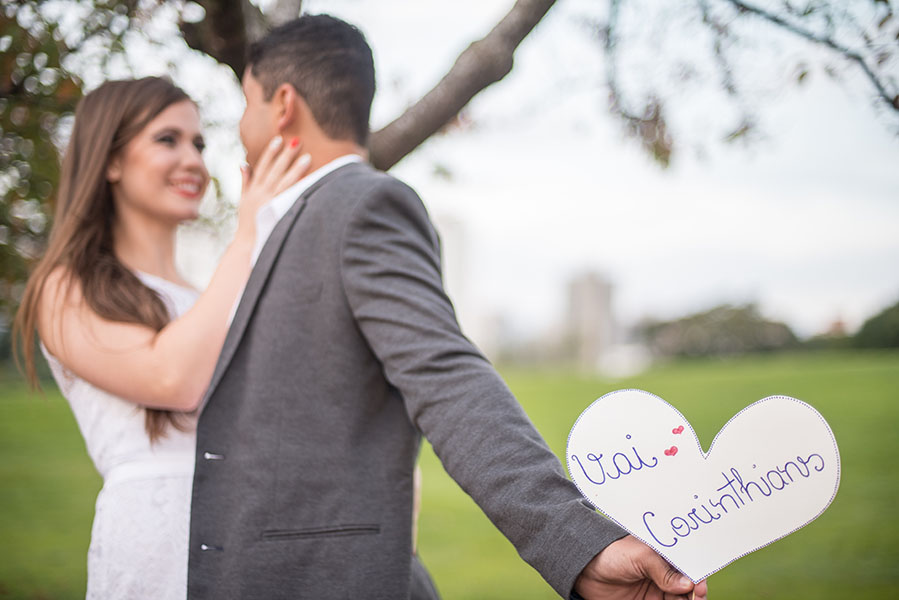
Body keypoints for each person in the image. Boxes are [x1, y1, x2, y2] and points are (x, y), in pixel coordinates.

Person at [188, 15, 708, 600]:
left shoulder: (362, 206)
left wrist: (577, 541)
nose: (239, 125)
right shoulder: (286, 221)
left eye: (246, 103)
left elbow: (446, 375)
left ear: (282, 105)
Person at [13, 76, 309, 599]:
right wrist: (248, 237)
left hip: (250, 543)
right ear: (110, 160)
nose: (193, 160)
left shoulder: (209, 296)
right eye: (167, 139)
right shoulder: (66, 287)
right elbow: (172, 378)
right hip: (155, 546)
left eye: (199, 143)